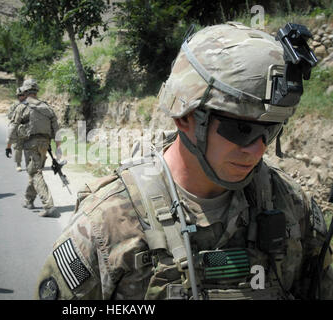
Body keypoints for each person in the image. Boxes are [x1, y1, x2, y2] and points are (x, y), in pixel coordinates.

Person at [34, 23, 333, 300]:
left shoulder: (293, 205)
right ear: (186, 117)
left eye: (271, 130)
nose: (257, 150)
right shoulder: (108, 224)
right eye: (242, 129)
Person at [6, 79, 61, 216]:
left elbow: (12, 128)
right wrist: (57, 148)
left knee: (35, 173)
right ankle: (28, 200)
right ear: (36, 91)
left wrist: (8, 145)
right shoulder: (47, 107)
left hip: (30, 145)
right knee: (34, 170)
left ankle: (48, 206)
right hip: (44, 145)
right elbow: (57, 130)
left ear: (25, 92)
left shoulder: (22, 107)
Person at [7, 87, 27, 172]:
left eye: (22, 95)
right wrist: (17, 117)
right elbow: (9, 115)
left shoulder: (29, 104)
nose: (21, 97)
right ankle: (18, 164)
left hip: (27, 128)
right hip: (17, 129)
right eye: (19, 95)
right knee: (18, 148)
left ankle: (30, 164)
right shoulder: (14, 105)